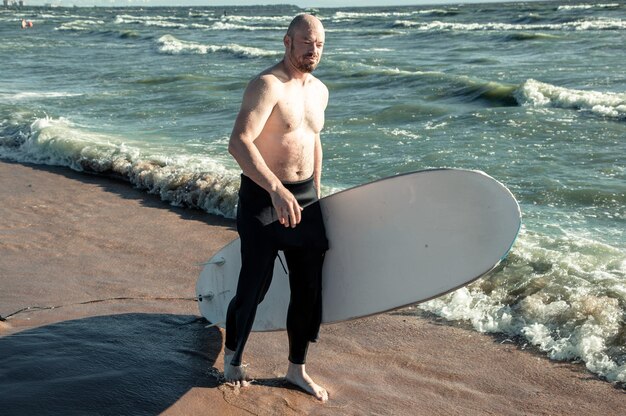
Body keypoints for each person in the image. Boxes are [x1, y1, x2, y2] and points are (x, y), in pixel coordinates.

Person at [224, 14, 329, 402]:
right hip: (262, 196)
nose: (313, 50)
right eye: (306, 42)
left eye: (318, 43)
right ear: (287, 41)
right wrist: (274, 190)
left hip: (304, 197)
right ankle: (233, 361)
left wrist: (315, 193)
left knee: (308, 289)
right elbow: (239, 142)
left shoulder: (319, 90)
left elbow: (314, 141)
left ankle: (296, 370)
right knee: (254, 285)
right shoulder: (267, 85)